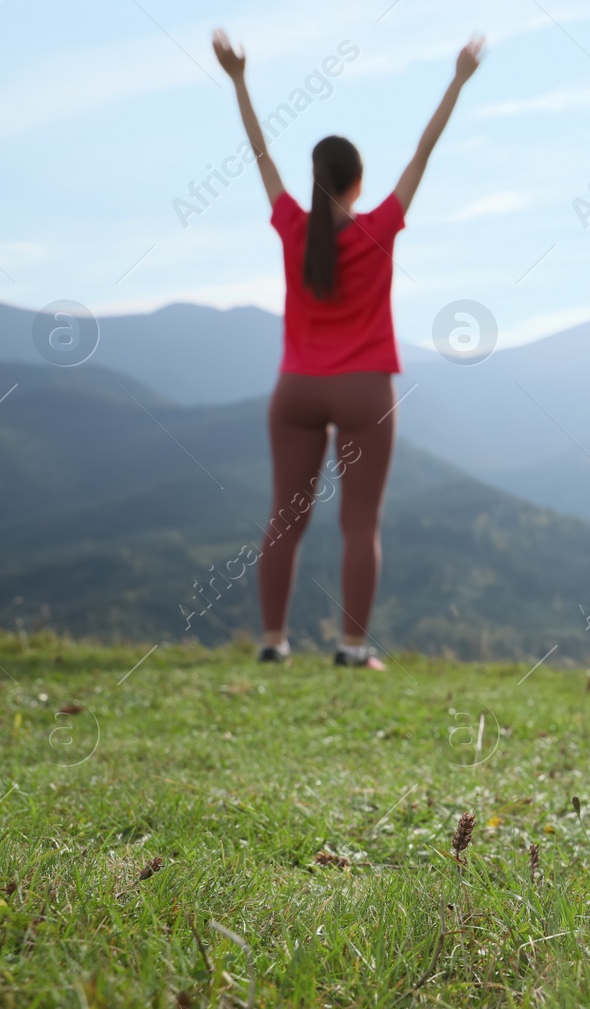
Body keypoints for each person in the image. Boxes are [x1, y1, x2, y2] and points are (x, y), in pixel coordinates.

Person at [212, 28, 484, 669]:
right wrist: (458, 79)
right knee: (359, 523)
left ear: (313, 182)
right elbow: (425, 149)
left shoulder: (292, 228)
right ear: (359, 184)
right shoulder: (380, 228)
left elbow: (260, 156)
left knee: (285, 518)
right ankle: (352, 647)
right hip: (365, 388)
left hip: (296, 388)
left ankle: (274, 642)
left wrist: (239, 82)